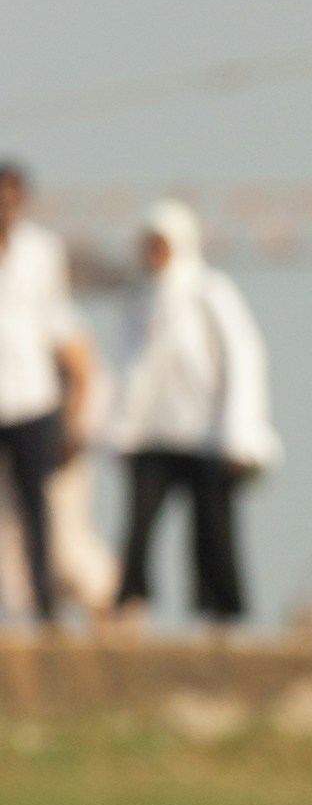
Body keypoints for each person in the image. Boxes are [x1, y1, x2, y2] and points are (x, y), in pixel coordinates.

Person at [110, 203, 277, 623]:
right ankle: (131, 606)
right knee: (139, 530)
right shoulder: (141, 298)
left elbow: (244, 357)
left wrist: (241, 431)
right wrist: (121, 427)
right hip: (152, 436)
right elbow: (132, 367)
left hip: (208, 436)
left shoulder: (210, 292)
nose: (154, 253)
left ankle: (223, 616)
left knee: (213, 533)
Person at [0, 164, 89, 629]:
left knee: (37, 511)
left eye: (11, 197)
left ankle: (44, 608)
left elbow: (60, 327)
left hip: (32, 400)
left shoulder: (42, 252)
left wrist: (74, 411)